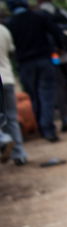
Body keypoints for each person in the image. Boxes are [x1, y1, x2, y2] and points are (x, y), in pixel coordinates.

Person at [3, 0, 62, 143]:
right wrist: (60, 48)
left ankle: (42, 129)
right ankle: (48, 128)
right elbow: (57, 33)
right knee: (47, 95)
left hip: (25, 66)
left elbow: (10, 50)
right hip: (44, 61)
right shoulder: (39, 17)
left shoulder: (10, 25)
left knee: (33, 96)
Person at [35, 0, 67, 132]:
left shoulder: (39, 16)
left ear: (39, 1)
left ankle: (65, 114)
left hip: (55, 57)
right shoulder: (61, 12)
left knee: (59, 84)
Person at [0, 22, 28, 165]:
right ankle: (20, 154)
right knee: (11, 118)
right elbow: (11, 51)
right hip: (7, 78)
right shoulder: (4, 29)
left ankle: (2, 139)